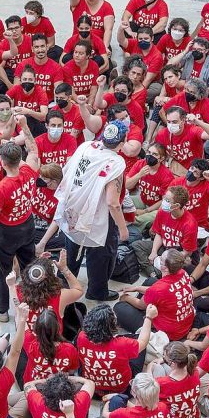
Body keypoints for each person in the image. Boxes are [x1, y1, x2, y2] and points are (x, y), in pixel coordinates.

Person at [56, 122, 129, 301]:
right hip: (98, 214)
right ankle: (97, 291)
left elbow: (67, 169)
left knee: (71, 246)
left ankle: (63, 284)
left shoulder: (86, 146)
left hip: (73, 206)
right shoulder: (116, 161)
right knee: (101, 255)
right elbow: (112, 202)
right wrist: (123, 228)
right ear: (122, 141)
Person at [0, 121, 39, 320]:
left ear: (2, 162)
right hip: (27, 225)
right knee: (29, 266)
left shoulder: (1, 187)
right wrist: (25, 126)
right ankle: (32, 302)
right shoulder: (29, 171)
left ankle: (1, 311)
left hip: (6, 233)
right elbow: (33, 149)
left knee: (2, 271)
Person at [116, 249, 195, 340]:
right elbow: (162, 292)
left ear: (164, 267)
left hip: (168, 334)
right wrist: (137, 288)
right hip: (184, 322)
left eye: (161, 259)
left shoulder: (159, 289)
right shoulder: (183, 273)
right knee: (151, 281)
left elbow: (141, 305)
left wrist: (125, 297)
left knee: (120, 307)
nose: (158, 258)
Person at [78, 304, 154, 394]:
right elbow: (143, 342)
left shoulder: (82, 336)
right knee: (139, 344)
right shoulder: (123, 344)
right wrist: (148, 318)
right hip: (121, 388)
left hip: (91, 386)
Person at [25, 373, 94, 418]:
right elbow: (90, 383)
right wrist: (68, 378)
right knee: (84, 396)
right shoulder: (79, 402)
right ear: (72, 393)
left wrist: (47, 380)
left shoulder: (37, 401)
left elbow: (28, 385)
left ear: (45, 393)